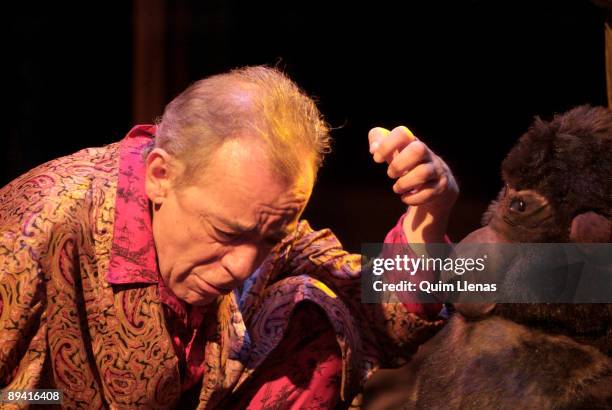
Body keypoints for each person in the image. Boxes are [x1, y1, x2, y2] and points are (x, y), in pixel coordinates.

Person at [0, 66, 457, 409]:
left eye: (269, 237)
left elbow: (388, 313)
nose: (242, 265)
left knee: (319, 312)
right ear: (160, 175)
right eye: (224, 233)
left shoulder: (261, 228)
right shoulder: (38, 226)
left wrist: (429, 221)